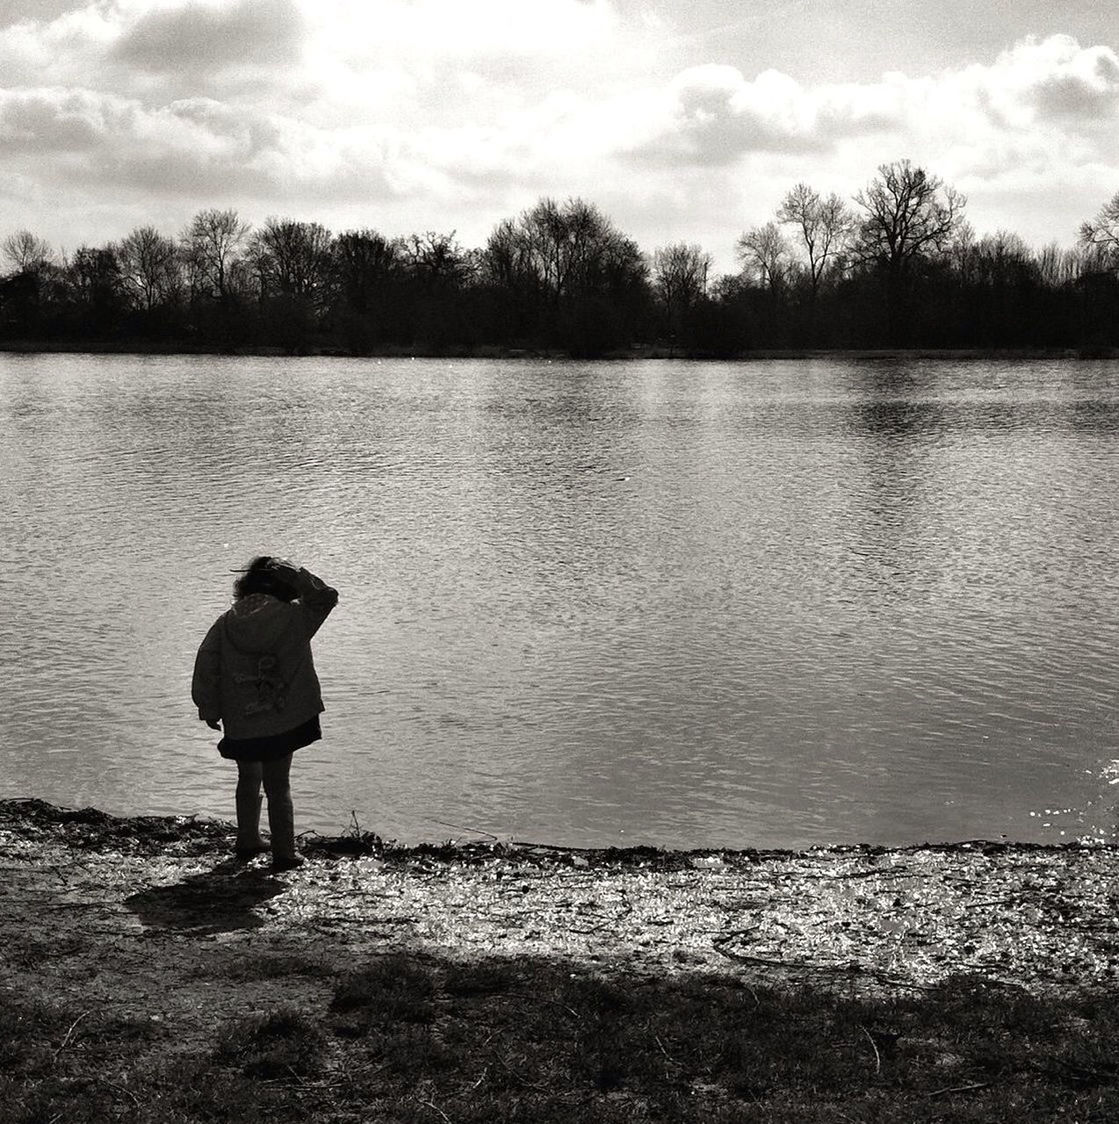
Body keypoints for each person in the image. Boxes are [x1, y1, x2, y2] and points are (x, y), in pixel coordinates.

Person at [192, 556, 339, 873]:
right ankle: (284, 852)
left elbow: (206, 664)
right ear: (285, 588)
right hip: (283, 720)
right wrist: (299, 576)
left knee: (248, 778)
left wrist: (207, 705)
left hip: (242, 722)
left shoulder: (225, 623)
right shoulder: (295, 617)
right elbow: (327, 597)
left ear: (243, 588)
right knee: (278, 785)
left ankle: (247, 839)